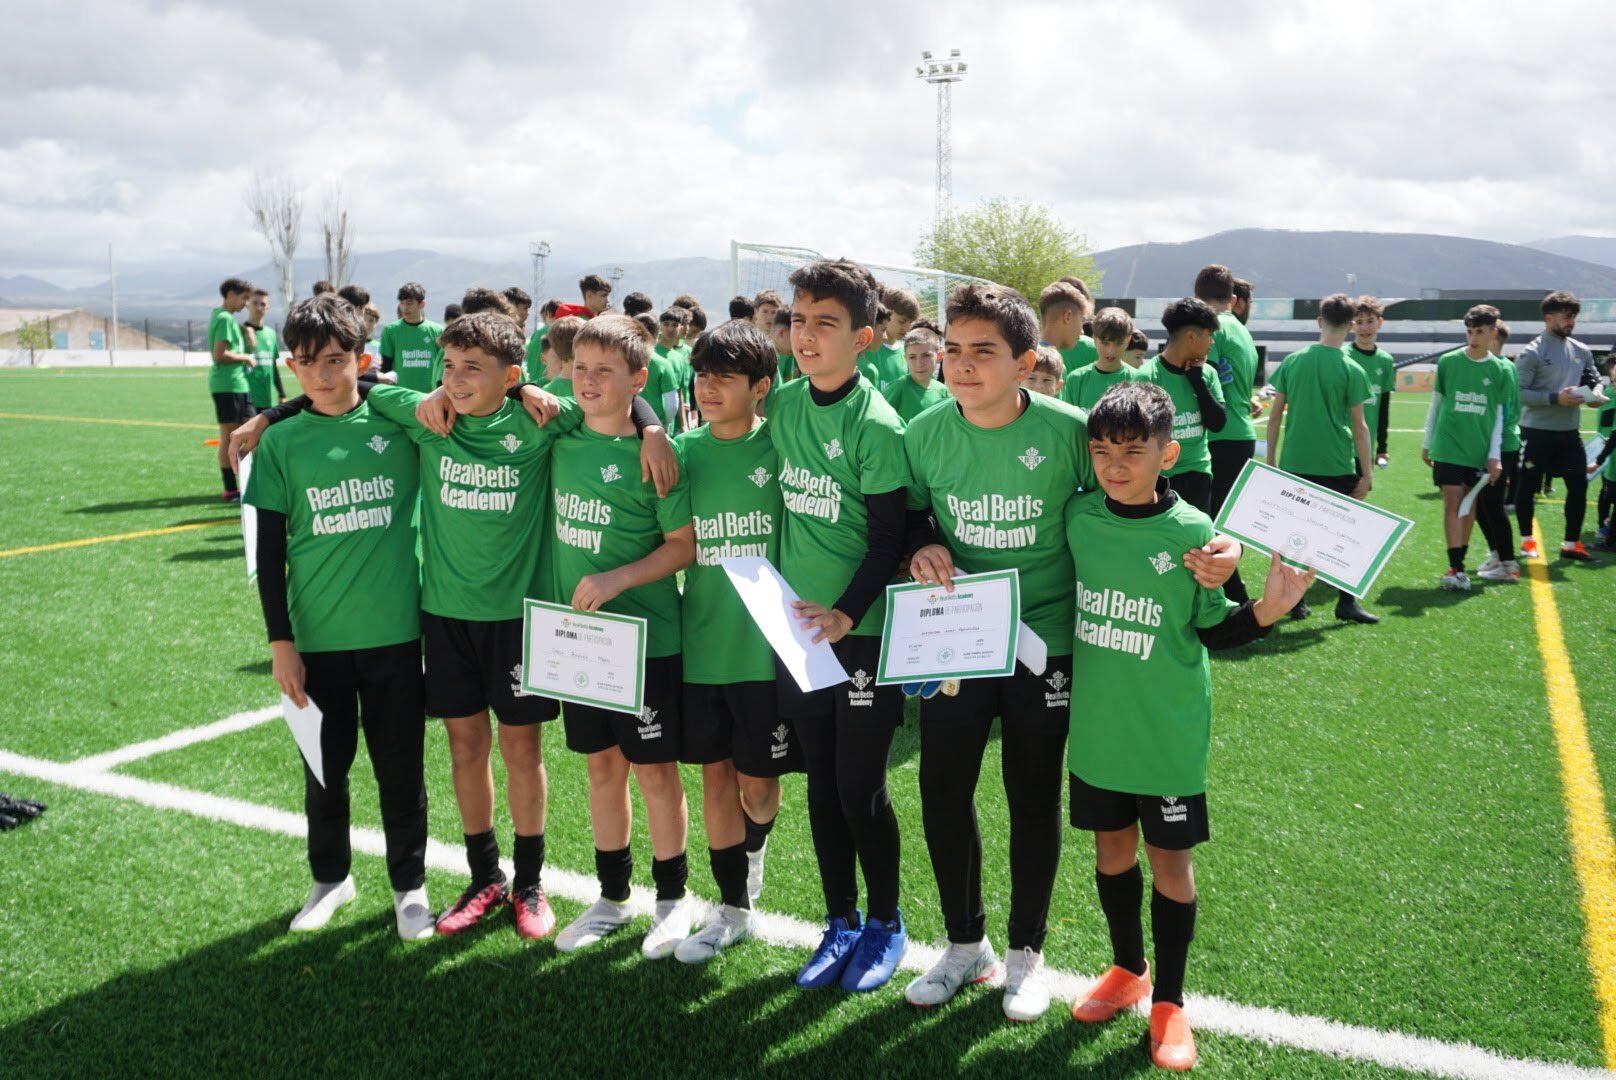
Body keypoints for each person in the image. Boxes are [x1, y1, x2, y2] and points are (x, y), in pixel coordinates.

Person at [232, 313, 676, 940]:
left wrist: (653, 426)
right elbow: (339, 390)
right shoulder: (423, 419)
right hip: (444, 620)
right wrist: (267, 416)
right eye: (448, 368)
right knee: (465, 749)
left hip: (522, 620)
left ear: (513, 375)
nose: (457, 380)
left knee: (522, 752)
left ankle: (528, 881)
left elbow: (612, 404)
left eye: (474, 369)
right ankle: (483, 877)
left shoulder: (541, 419)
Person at [1065, 380, 1314, 1073]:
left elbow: (1218, 633)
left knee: (1169, 862)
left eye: (1133, 451)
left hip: (1168, 736)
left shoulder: (1194, 536)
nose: (1115, 465)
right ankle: (1127, 969)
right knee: (1110, 851)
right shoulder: (1078, 517)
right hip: (1096, 731)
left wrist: (1265, 609)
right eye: (1102, 450)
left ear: (1168, 453)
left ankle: (1169, 1002)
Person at [244, 294, 432, 941]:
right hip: (316, 643)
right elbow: (269, 557)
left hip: (397, 637)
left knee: (401, 771)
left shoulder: (398, 426)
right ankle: (331, 877)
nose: (323, 375)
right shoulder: (281, 445)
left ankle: (410, 886)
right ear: (290, 366)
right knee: (324, 773)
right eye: (307, 363)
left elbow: (439, 405)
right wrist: (280, 643)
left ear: (361, 358)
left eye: (335, 360)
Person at [770, 258, 910, 992]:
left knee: (859, 785)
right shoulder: (788, 406)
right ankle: (841, 921)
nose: (806, 336)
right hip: (800, 632)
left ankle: (886, 922)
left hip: (862, 633)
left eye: (825, 323)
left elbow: (888, 537)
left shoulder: (877, 422)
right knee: (820, 784)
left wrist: (846, 611)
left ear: (864, 338)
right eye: (798, 320)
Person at [545, 314, 699, 960]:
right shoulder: (556, 435)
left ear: (638, 378)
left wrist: (617, 579)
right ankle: (613, 896)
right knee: (601, 767)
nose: (587, 382)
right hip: (579, 644)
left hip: (646, 642)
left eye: (604, 372)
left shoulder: (653, 454)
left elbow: (684, 547)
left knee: (655, 772)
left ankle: (674, 899)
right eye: (579, 369)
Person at [673, 318, 798, 961]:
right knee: (715, 777)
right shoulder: (681, 451)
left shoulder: (783, 449)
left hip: (767, 649)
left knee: (758, 783)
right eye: (702, 374)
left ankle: (755, 851)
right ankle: (731, 906)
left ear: (761, 387)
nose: (709, 387)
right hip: (704, 645)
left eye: (726, 377)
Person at [1265, 293, 1378, 623]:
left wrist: (1271, 462)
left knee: (1291, 535)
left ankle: (1293, 602)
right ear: (1352, 325)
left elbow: (1274, 418)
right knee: (1343, 537)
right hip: (1336, 463)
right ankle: (1346, 602)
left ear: (1319, 321)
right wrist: (1367, 473)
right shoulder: (1351, 368)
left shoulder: (1293, 361)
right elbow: (1359, 427)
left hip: (1294, 463)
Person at [1423, 306, 1510, 590]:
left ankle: (1459, 564)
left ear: (1492, 333)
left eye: (1480, 332)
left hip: (1478, 449)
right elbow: (1436, 404)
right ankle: (1456, 567)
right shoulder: (1448, 362)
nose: (1473, 338)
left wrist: (1494, 455)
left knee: (1469, 505)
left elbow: (1498, 416)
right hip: (1447, 445)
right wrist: (1427, 442)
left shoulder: (1500, 369)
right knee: (1453, 499)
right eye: (1470, 332)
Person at [1515, 290, 1604, 561]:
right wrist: (1555, 398)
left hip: (1569, 433)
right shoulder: (1531, 352)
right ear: (1548, 317)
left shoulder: (1581, 350)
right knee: (1527, 487)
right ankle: (1527, 540)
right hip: (1535, 433)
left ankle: (1571, 544)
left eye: (1574, 317)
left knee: (1578, 485)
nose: (1571, 322)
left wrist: (1596, 395)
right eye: (1566, 316)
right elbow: (1517, 394)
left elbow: (1595, 379)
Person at [1197, 265, 1261, 604]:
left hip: (1219, 435)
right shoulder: (1241, 330)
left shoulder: (1213, 329)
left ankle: (1234, 597)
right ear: (1234, 299)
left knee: (1211, 522)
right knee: (1226, 520)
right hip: (1241, 433)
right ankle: (1231, 594)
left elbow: (1207, 382)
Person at [1132, 299, 1227, 514]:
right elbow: (1141, 433)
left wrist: (1197, 381)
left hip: (1198, 472)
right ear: (1192, 337)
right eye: (1209, 335)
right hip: (1159, 475)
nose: (1212, 342)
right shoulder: (1148, 377)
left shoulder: (1207, 373)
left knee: (1195, 544)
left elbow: (1218, 423)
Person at [1477, 322, 1523, 579]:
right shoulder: (1504, 365)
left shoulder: (1500, 368)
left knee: (1492, 504)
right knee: (1482, 504)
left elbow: (1499, 412)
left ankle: (1508, 564)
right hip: (1496, 443)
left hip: (1501, 444)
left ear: (1493, 339)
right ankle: (1497, 555)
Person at [208, 276, 256, 501]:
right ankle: (232, 488)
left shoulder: (222, 317)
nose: (246, 304)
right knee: (231, 437)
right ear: (230, 295)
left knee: (246, 433)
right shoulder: (225, 318)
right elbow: (220, 355)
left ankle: (241, 485)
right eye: (244, 298)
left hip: (234, 385)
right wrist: (246, 357)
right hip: (229, 385)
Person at [1347, 296, 1396, 470]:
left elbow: (1384, 407)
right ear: (1351, 324)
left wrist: (1382, 448)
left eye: (1370, 321)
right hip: (1340, 446)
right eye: (1359, 322)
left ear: (1380, 322)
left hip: (1366, 447)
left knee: (1360, 494)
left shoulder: (1385, 361)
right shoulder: (1342, 356)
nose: (1364, 327)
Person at [1061, 307, 1136, 412]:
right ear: (1095, 339)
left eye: (1118, 344)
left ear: (1128, 340)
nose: (1111, 351)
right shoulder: (1075, 380)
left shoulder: (1138, 380)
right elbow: (1067, 425)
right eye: (1105, 343)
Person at [378, 282, 444, 393]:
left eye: (409, 303)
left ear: (422, 304)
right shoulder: (390, 330)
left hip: (429, 396)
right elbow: (386, 368)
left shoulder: (437, 330)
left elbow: (442, 366)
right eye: (402, 303)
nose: (404, 308)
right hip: (400, 395)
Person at [881, 322, 951, 421]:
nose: (919, 363)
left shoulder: (944, 392)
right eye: (912, 357)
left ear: (939, 356)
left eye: (926, 355)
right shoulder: (898, 388)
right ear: (905, 359)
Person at [1039, 281, 1097, 375]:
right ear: (1067, 317)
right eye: (1081, 321)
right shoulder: (1044, 366)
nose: (1082, 331)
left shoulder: (1027, 357)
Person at [243, 287, 286, 411]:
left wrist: (281, 393)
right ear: (247, 304)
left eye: (263, 304)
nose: (258, 307)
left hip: (269, 399)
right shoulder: (241, 332)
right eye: (255, 303)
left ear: (268, 307)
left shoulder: (271, 334)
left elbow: (273, 367)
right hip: (248, 400)